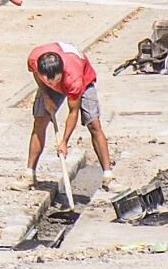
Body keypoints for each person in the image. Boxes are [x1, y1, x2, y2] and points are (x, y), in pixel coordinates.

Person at [28, 43, 113, 186]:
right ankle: (29, 174)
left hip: (84, 81)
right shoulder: (34, 59)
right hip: (53, 83)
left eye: (54, 80)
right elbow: (37, 75)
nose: (51, 83)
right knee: (40, 121)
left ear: (60, 73)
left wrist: (64, 142)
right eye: (47, 80)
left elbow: (73, 112)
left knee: (94, 124)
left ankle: (108, 176)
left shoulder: (73, 78)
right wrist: (46, 95)